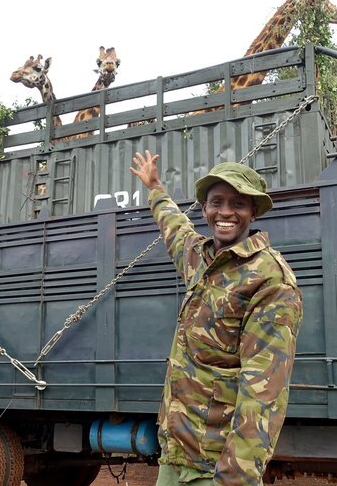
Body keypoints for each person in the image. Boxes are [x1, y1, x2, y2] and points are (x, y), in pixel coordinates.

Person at [129, 150, 303, 486]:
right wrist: (155, 188)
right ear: (206, 209)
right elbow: (174, 227)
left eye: (237, 203)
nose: (225, 212)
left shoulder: (269, 279)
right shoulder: (202, 259)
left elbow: (264, 393)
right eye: (216, 202)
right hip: (176, 454)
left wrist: (234, 478)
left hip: (216, 468)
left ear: (252, 211)